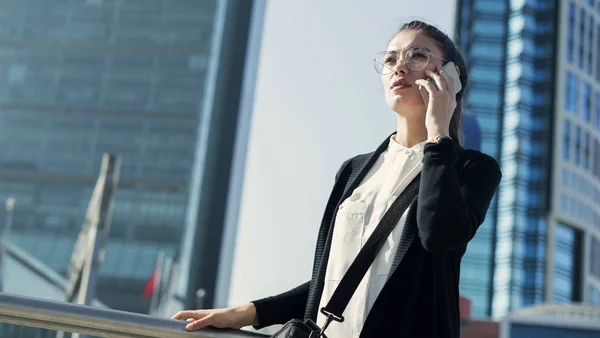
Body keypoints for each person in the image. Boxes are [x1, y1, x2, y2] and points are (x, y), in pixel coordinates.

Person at [172, 20, 502, 338]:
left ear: (450, 77)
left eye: (417, 55)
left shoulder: (472, 169)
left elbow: (439, 235)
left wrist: (439, 136)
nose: (399, 66)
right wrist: (248, 312)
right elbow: (332, 282)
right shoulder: (353, 171)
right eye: (390, 59)